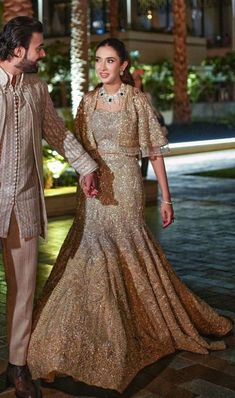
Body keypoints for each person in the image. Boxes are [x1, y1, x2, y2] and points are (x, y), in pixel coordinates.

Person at [27, 38, 233, 393]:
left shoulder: (137, 100)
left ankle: (131, 332)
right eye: (98, 61)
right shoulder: (88, 102)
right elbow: (74, 146)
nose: (102, 67)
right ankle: (71, 338)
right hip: (92, 190)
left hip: (125, 187)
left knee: (125, 252)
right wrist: (83, 174)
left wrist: (166, 199)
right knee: (89, 254)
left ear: (123, 66)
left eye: (110, 61)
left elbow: (154, 152)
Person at [0, 16, 98, 398]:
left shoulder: (37, 88)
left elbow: (57, 132)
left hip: (22, 204)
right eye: (39, 47)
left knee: (24, 289)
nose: (43, 53)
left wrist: (86, 166)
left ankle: (18, 366)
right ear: (19, 49)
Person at [132, 69, 167, 178]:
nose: (137, 82)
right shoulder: (126, 95)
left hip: (145, 127)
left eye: (139, 79)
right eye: (135, 79)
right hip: (133, 127)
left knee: (146, 152)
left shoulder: (145, 95)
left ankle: (143, 176)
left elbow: (151, 110)